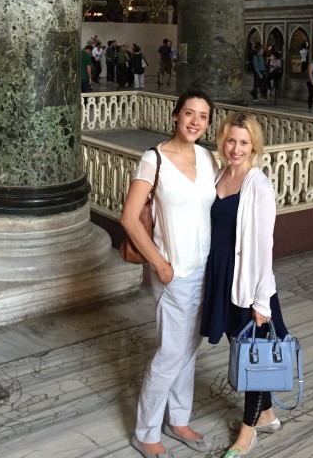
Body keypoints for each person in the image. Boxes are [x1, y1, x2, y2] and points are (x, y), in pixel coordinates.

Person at [121, 90, 218, 458]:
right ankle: (146, 431)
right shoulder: (154, 159)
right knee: (170, 352)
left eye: (203, 116)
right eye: (189, 113)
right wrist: (160, 264)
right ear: (175, 116)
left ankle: (178, 419)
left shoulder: (208, 158)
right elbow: (130, 219)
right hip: (173, 272)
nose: (195, 121)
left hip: (204, 269)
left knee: (189, 348)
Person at [200, 112, 289, 458]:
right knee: (241, 347)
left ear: (254, 145)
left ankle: (247, 434)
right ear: (223, 141)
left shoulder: (258, 185)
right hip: (220, 275)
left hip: (248, 282)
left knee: (254, 355)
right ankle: (266, 415)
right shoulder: (220, 173)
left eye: (243, 142)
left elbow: (265, 247)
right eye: (231, 140)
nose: (236, 148)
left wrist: (262, 302)